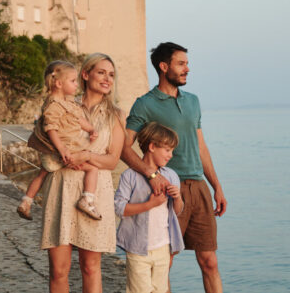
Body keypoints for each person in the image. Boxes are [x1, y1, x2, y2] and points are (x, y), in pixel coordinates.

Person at [122, 42, 227, 293]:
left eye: (187, 64)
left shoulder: (193, 101)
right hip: (168, 190)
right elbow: (124, 147)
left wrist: (217, 187)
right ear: (163, 66)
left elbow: (200, 146)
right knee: (164, 263)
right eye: (181, 64)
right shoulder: (144, 104)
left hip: (198, 187)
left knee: (209, 261)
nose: (187, 69)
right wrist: (152, 175)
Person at [40, 53, 125, 293]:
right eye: (101, 72)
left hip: (94, 193)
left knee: (90, 266)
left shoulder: (116, 115)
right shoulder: (62, 104)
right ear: (85, 75)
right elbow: (42, 137)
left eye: (111, 75)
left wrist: (86, 156)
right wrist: (62, 154)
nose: (107, 79)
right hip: (62, 187)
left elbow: (112, 160)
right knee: (58, 270)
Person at [17, 60, 102, 221]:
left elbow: (78, 120)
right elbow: (51, 128)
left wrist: (90, 129)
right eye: (72, 81)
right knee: (93, 169)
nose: (77, 85)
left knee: (41, 175)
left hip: (56, 152)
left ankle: (26, 201)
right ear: (58, 83)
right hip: (65, 151)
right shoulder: (54, 105)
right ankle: (87, 199)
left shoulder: (66, 103)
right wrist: (63, 149)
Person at [115, 121, 184, 293]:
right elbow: (119, 208)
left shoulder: (171, 175)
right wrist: (149, 205)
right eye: (167, 150)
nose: (170, 155)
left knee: (160, 290)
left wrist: (177, 198)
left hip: (163, 246)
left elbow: (176, 212)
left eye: (172, 151)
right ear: (152, 146)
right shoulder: (130, 176)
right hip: (137, 248)